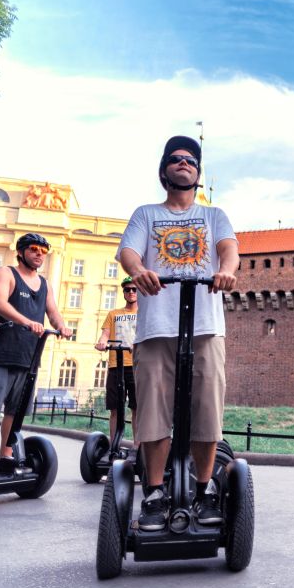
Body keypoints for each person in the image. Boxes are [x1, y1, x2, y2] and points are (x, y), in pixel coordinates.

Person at [118, 135, 238, 531]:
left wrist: (227, 270)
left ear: (198, 174)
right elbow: (128, 252)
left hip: (205, 326)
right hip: (155, 329)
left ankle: (203, 491)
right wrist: (138, 271)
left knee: (207, 411)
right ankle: (153, 492)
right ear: (164, 171)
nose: (184, 163)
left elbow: (228, 249)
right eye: (176, 159)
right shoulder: (146, 214)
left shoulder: (214, 215)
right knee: (152, 410)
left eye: (191, 160)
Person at [0, 233, 70, 472]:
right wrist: (27, 322)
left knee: (15, 411)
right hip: (0, 353)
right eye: (34, 249)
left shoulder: (45, 283)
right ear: (21, 252)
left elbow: (53, 312)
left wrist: (61, 326)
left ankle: (5, 457)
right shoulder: (6, 273)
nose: (39, 254)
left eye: (43, 251)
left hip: (29, 357)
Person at [94, 276, 139, 446]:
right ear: (124, 293)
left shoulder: (143, 313)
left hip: (136, 365)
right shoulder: (113, 314)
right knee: (115, 408)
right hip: (116, 365)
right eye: (128, 289)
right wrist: (102, 342)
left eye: (134, 289)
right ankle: (114, 445)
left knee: (136, 408)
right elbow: (105, 333)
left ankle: (137, 446)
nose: (131, 292)